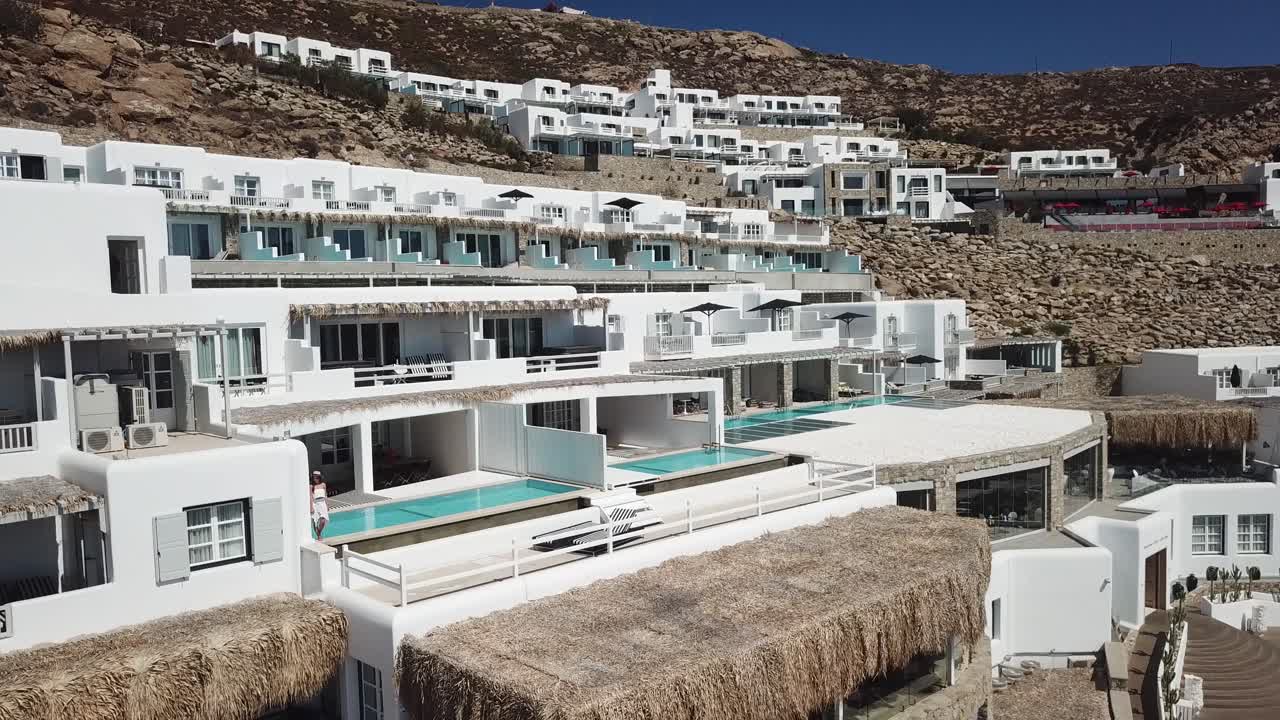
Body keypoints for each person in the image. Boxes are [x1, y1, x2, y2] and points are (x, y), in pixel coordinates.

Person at [310, 471, 329, 539]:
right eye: (314, 477)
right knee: (315, 521)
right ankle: (318, 535)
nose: (315, 479)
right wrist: (311, 507)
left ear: (320, 477)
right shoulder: (311, 486)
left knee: (323, 520)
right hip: (315, 503)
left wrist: (327, 504)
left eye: (317, 477)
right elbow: (311, 497)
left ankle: (319, 532)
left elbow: (325, 495)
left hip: (322, 503)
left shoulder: (323, 485)